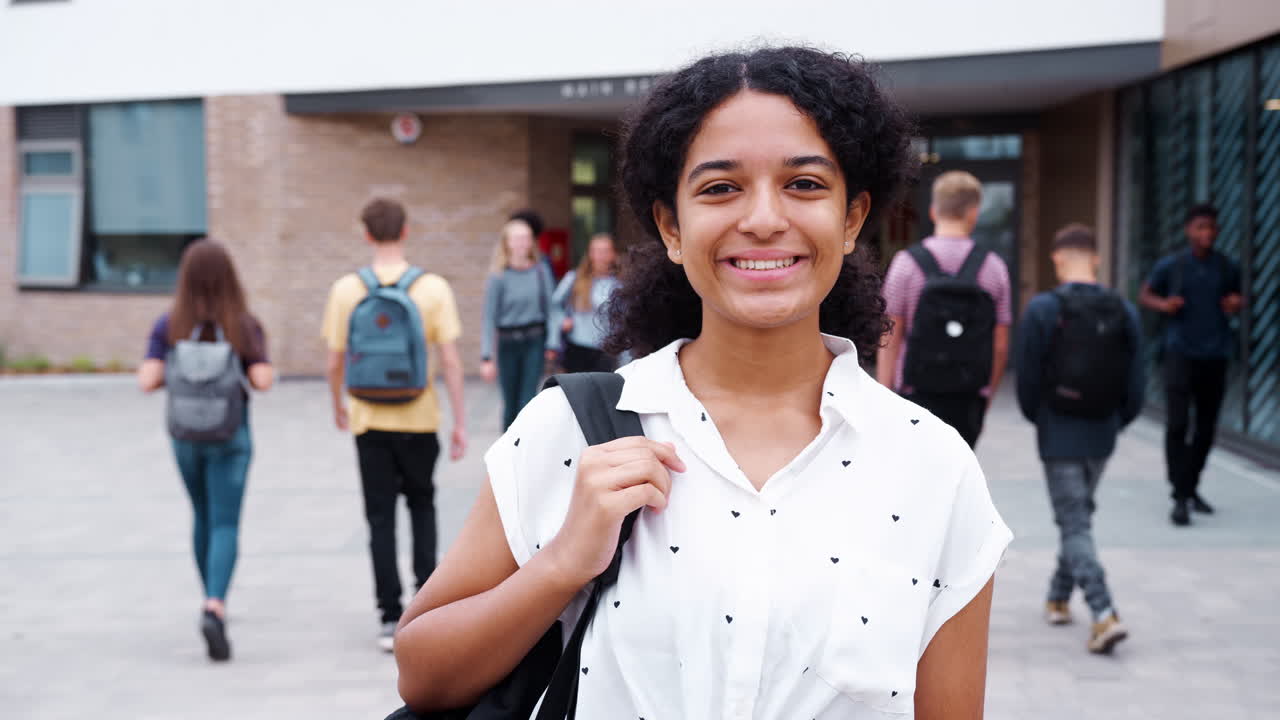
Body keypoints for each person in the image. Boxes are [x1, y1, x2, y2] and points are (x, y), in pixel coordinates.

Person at [393, 47, 1012, 719]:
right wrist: (563, 562)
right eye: (721, 187)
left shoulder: (931, 463)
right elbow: (424, 675)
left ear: (853, 218)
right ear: (671, 226)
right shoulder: (572, 429)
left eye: (804, 184)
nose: (765, 218)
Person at [321, 198, 467, 651]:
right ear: (406, 231)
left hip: (369, 420)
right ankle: (426, 605)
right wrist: (460, 421)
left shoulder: (347, 289)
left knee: (379, 518)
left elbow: (334, 362)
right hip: (420, 418)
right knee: (422, 508)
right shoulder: (433, 288)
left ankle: (388, 616)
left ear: (366, 234)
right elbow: (449, 362)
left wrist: (339, 405)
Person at [136, 239, 274, 662]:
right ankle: (215, 602)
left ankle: (210, 598)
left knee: (202, 515)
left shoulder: (170, 325)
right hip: (231, 437)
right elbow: (263, 380)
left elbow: (146, 379)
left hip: (185, 438)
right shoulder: (242, 325)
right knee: (225, 522)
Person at [1015, 224, 1143, 654]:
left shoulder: (1042, 310)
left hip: (1059, 432)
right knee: (1078, 518)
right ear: (1096, 258)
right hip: (1102, 433)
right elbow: (1138, 384)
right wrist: (1114, 422)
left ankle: (1104, 613)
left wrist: (1044, 421)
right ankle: (1056, 597)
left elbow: (1027, 383)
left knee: (1074, 522)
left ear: (1056, 259)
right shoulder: (1124, 310)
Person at [877, 171, 1013, 448]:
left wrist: (883, 395)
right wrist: (985, 395)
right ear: (974, 214)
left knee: (915, 480)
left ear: (933, 211)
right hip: (968, 395)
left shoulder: (906, 263)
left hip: (914, 395)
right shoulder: (994, 267)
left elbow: (889, 336)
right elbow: (999, 345)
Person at [1138, 203, 1243, 526]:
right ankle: (1181, 495)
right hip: (1179, 354)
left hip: (1215, 355)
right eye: (1200, 227)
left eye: (1211, 228)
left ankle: (1189, 487)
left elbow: (1236, 299)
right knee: (1178, 424)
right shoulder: (1173, 266)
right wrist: (1164, 304)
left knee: (1207, 429)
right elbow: (1145, 295)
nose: (1206, 234)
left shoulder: (1226, 266)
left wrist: (1235, 304)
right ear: (1189, 230)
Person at [479, 218, 557, 430]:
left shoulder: (541, 271)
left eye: (526, 238)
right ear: (507, 243)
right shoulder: (498, 277)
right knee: (510, 403)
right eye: (517, 239)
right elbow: (488, 318)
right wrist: (486, 357)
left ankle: (525, 451)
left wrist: (552, 343)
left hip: (534, 341)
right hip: (507, 344)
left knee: (527, 401)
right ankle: (507, 453)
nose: (522, 243)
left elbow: (551, 310)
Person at [548, 232, 621, 373]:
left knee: (601, 394)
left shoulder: (619, 284)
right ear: (590, 254)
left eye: (606, 251)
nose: (601, 256)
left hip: (605, 350)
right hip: (577, 347)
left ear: (613, 254)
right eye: (597, 251)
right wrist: (562, 320)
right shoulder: (574, 278)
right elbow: (554, 305)